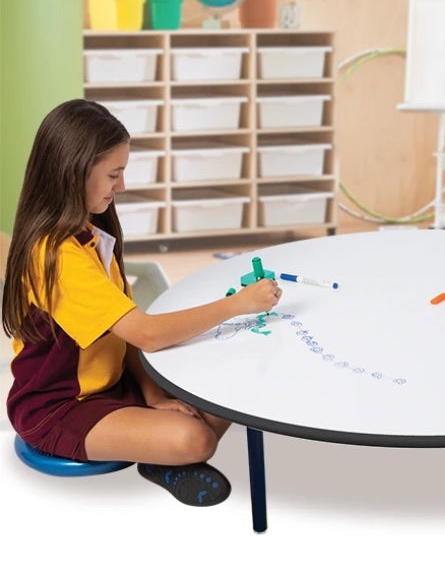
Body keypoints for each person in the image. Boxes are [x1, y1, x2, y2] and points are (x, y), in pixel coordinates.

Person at [2, 99, 282, 507]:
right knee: (195, 438)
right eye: (114, 174)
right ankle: (164, 458)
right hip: (59, 408)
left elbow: (123, 338)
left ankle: (156, 450)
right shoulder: (58, 256)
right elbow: (146, 334)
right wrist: (238, 304)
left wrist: (153, 396)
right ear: (73, 173)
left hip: (112, 384)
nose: (122, 187)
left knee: (229, 390)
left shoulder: (90, 233)